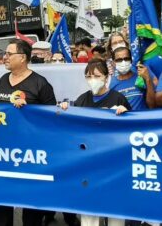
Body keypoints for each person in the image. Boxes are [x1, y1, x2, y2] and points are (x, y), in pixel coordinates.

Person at [0, 39, 64, 226]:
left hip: (31, 153)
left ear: (23, 58)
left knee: (31, 205)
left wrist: (28, 112)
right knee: (3, 204)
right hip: (4, 152)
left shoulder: (40, 84)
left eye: (9, 54)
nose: (4, 57)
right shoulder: (2, 80)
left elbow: (51, 119)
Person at [62, 59, 130, 226]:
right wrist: (65, 109)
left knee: (115, 211)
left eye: (96, 76)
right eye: (88, 76)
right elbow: (72, 126)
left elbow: (130, 129)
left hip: (113, 164)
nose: (92, 79)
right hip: (89, 163)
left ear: (106, 77)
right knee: (89, 212)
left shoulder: (118, 98)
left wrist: (126, 113)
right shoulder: (82, 100)